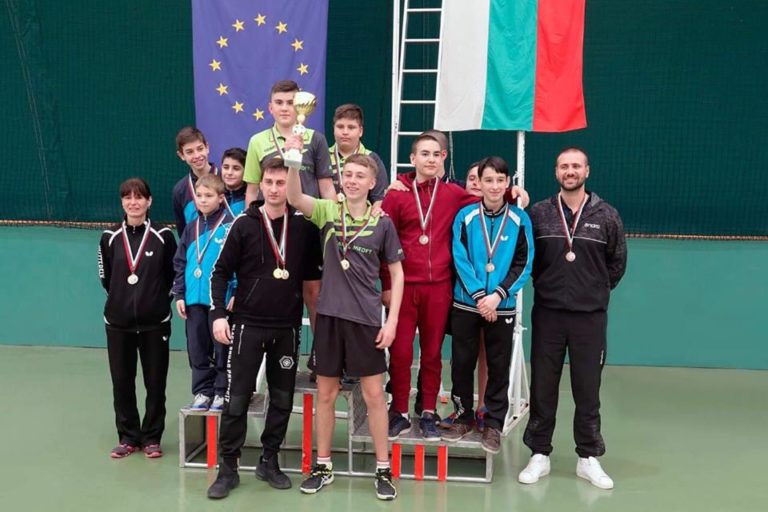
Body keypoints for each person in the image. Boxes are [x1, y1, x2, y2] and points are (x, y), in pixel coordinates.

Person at [381, 133, 529, 441]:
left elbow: (488, 198)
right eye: (424, 153)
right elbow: (384, 240)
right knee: (401, 351)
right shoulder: (397, 194)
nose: (431, 159)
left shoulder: (452, 194)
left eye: (436, 154)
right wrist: (386, 285)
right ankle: (399, 411)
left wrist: (513, 192)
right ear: (413, 158)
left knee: (432, 352)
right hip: (404, 286)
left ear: (443, 159)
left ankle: (428, 412)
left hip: (439, 287)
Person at [287, 152, 405, 501]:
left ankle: (383, 469)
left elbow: (397, 274)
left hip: (366, 319)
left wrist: (392, 321)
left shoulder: (382, 223)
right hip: (329, 318)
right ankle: (323, 465)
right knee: (325, 394)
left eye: (359, 176)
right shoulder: (327, 211)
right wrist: (293, 162)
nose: (352, 180)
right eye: (347, 174)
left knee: (374, 397)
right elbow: (294, 197)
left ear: (372, 183)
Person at [205, 157, 323, 499]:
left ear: (291, 186)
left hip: (287, 328)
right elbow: (220, 273)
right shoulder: (244, 224)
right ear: (261, 184)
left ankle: (269, 460)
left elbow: (313, 286)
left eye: (281, 183)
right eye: (269, 182)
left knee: (282, 398)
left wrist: (319, 337)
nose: (273, 189)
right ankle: (228, 467)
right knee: (237, 398)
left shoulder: (304, 229)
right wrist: (218, 315)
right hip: (247, 326)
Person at [518, 147, 627, 490]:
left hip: (589, 318)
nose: (570, 171)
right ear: (556, 172)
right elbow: (529, 259)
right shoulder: (539, 213)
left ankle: (588, 457)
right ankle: (539, 453)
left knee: (587, 387)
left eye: (576, 166)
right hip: (548, 314)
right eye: (564, 166)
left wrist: (592, 290)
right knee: (543, 386)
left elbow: (617, 263)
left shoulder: (607, 215)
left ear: (586, 171)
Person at [441, 156, 534, 454]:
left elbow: (525, 261)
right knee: (462, 362)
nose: (494, 186)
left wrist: (498, 295)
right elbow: (459, 256)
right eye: (488, 180)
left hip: (501, 305)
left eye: (499, 181)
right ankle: (463, 416)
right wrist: (481, 295)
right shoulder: (465, 216)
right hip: (467, 303)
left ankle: (493, 423)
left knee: (498, 365)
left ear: (508, 184)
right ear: (478, 183)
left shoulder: (520, 219)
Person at [243, 79, 334, 330]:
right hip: (271, 228)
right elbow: (252, 190)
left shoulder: (315, 139)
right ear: (270, 107)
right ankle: (279, 349)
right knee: (276, 290)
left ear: (300, 107)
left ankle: (320, 352)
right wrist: (253, 225)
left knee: (314, 294)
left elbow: (326, 186)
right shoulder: (257, 141)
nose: (285, 108)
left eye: (291, 102)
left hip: (308, 226)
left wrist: (335, 223)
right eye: (279, 102)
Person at [98, 177, 177, 459]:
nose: (134, 202)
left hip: (155, 323)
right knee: (122, 382)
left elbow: (172, 276)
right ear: (122, 202)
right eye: (128, 197)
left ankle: (152, 437)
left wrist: (156, 303)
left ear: (149, 201)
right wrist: (121, 301)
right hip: (118, 324)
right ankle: (128, 436)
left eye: (139, 197)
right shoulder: (109, 237)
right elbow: (106, 277)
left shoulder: (164, 235)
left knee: (155, 383)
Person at [173, 174, 234, 412]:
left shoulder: (230, 226)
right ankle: (202, 391)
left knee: (221, 348)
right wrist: (180, 293)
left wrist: (236, 291)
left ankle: (221, 392)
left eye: (209, 195)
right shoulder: (191, 228)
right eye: (199, 196)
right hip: (193, 299)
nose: (203, 200)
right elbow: (180, 262)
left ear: (221, 198)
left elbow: (239, 263)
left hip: (219, 301)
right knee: (197, 348)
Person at [439, 161, 491, 431]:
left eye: (481, 178)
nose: (475, 182)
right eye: (471, 178)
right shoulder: (455, 206)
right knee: (461, 355)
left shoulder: (501, 212)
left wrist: (517, 193)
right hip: (453, 291)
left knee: (485, 352)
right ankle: (461, 409)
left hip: (487, 298)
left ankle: (483, 408)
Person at [329, 103, 389, 207]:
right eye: (340, 127)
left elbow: (379, 200)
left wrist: (371, 217)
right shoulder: (322, 156)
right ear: (334, 129)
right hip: (328, 216)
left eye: (351, 127)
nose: (345, 132)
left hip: (362, 217)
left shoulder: (372, 158)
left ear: (360, 131)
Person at [171, 126, 220, 235]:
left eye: (200, 149)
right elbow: (183, 233)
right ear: (181, 155)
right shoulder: (180, 191)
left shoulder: (226, 179)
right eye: (190, 152)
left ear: (207, 147)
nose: (197, 155)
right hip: (198, 244)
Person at [220, 147, 247, 217]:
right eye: (226, 167)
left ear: (246, 171)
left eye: (236, 168)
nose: (229, 172)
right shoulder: (214, 195)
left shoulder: (251, 198)